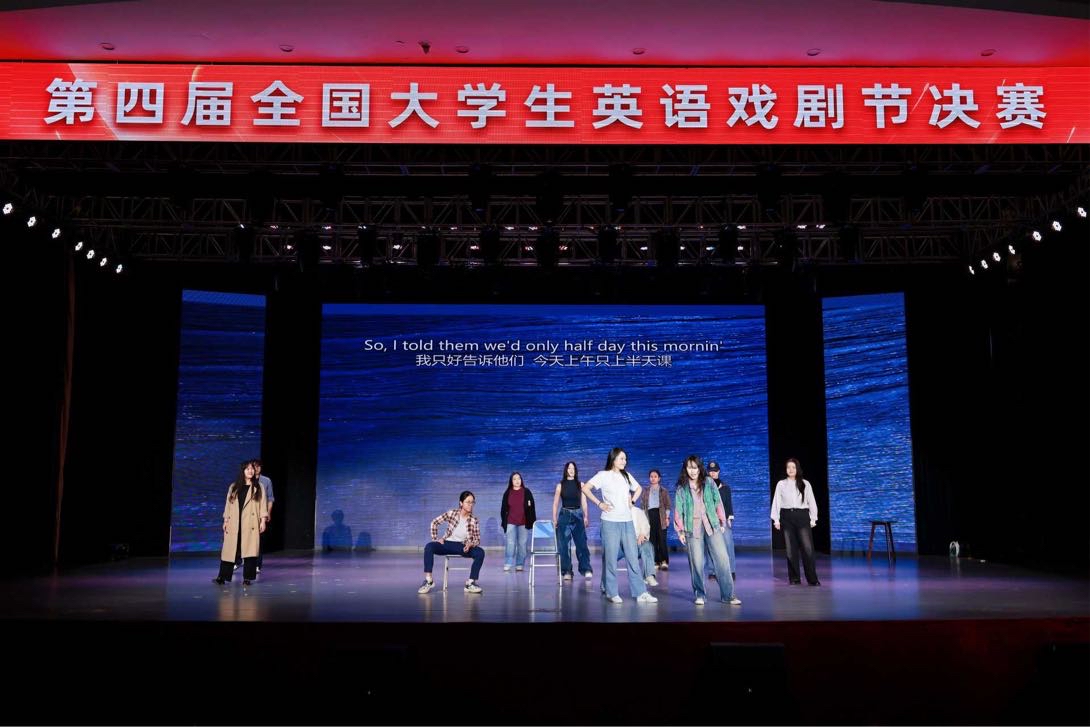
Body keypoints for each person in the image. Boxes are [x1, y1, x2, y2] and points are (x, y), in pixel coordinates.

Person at [582, 447, 658, 604]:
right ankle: (611, 592)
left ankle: (641, 592)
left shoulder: (626, 475)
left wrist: (632, 501)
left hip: (627, 521)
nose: (625, 461)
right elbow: (585, 488)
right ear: (614, 459)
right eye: (622, 458)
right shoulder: (603, 475)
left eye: (625, 459)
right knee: (610, 558)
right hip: (610, 521)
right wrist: (599, 503)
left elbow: (638, 488)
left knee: (632, 557)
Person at [673, 455, 741, 606]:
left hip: (712, 524)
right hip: (692, 528)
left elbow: (718, 502)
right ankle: (700, 594)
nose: (692, 471)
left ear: (700, 468)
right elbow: (678, 510)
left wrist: (722, 520)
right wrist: (680, 531)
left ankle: (728, 595)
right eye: (689, 467)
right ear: (685, 469)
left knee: (722, 559)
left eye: (695, 467)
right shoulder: (682, 487)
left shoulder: (709, 482)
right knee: (696, 563)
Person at [418, 491, 485, 594]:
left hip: (463, 546)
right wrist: (435, 538)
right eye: (468, 502)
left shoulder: (474, 520)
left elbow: (477, 539)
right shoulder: (452, 513)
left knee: (480, 552)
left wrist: (470, 544)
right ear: (461, 503)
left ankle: (470, 583)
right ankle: (429, 580)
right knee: (429, 547)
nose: (471, 504)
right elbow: (434, 522)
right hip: (447, 544)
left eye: (472, 502)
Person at [213, 460, 268, 586]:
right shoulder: (234, 487)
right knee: (229, 550)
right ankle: (222, 577)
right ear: (242, 471)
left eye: (252, 469)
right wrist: (225, 520)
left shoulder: (258, 487)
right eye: (247, 469)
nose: (250, 471)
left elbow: (263, 505)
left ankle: (247, 578)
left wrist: (263, 521)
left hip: (250, 523)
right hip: (234, 522)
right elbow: (228, 505)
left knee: (250, 551)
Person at [770, 458, 820, 586]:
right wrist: (776, 519)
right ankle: (794, 578)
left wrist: (813, 518)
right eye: (788, 467)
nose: (791, 470)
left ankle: (812, 579)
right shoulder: (781, 484)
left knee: (807, 548)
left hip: (802, 515)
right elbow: (777, 501)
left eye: (793, 467)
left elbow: (811, 501)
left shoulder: (805, 483)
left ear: (797, 469)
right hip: (787, 516)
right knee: (791, 550)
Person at [552, 461, 593, 580]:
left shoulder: (581, 485)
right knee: (563, 545)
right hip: (564, 515)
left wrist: (586, 516)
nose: (571, 470)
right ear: (566, 470)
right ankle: (567, 571)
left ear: (575, 470)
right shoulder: (560, 485)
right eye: (569, 468)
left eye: (573, 468)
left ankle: (586, 569)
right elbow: (555, 504)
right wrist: (554, 518)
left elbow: (584, 503)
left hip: (578, 515)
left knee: (581, 543)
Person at [500, 472, 537, 572]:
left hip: (523, 522)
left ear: (521, 480)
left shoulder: (527, 492)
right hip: (510, 522)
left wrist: (532, 521)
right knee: (510, 543)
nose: (517, 481)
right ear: (511, 481)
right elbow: (503, 509)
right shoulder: (507, 493)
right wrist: (504, 521)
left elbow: (532, 507)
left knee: (522, 544)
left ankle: (520, 564)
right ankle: (508, 563)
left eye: (519, 478)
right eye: (514, 479)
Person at [638, 468, 672, 570]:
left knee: (662, 539)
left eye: (655, 477)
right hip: (649, 515)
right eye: (651, 477)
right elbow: (642, 506)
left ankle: (664, 561)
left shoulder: (663, 491)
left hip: (661, 516)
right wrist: (643, 520)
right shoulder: (645, 491)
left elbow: (668, 505)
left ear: (659, 478)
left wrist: (667, 517)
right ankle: (655, 561)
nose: (653, 478)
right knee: (652, 540)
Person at [708, 461, 735, 582]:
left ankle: (731, 570)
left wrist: (729, 519)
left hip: (723, 520)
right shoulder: (705, 487)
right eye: (710, 471)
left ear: (718, 471)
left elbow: (728, 504)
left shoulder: (725, 487)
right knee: (711, 546)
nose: (713, 473)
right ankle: (712, 571)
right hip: (710, 520)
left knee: (728, 544)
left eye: (715, 471)